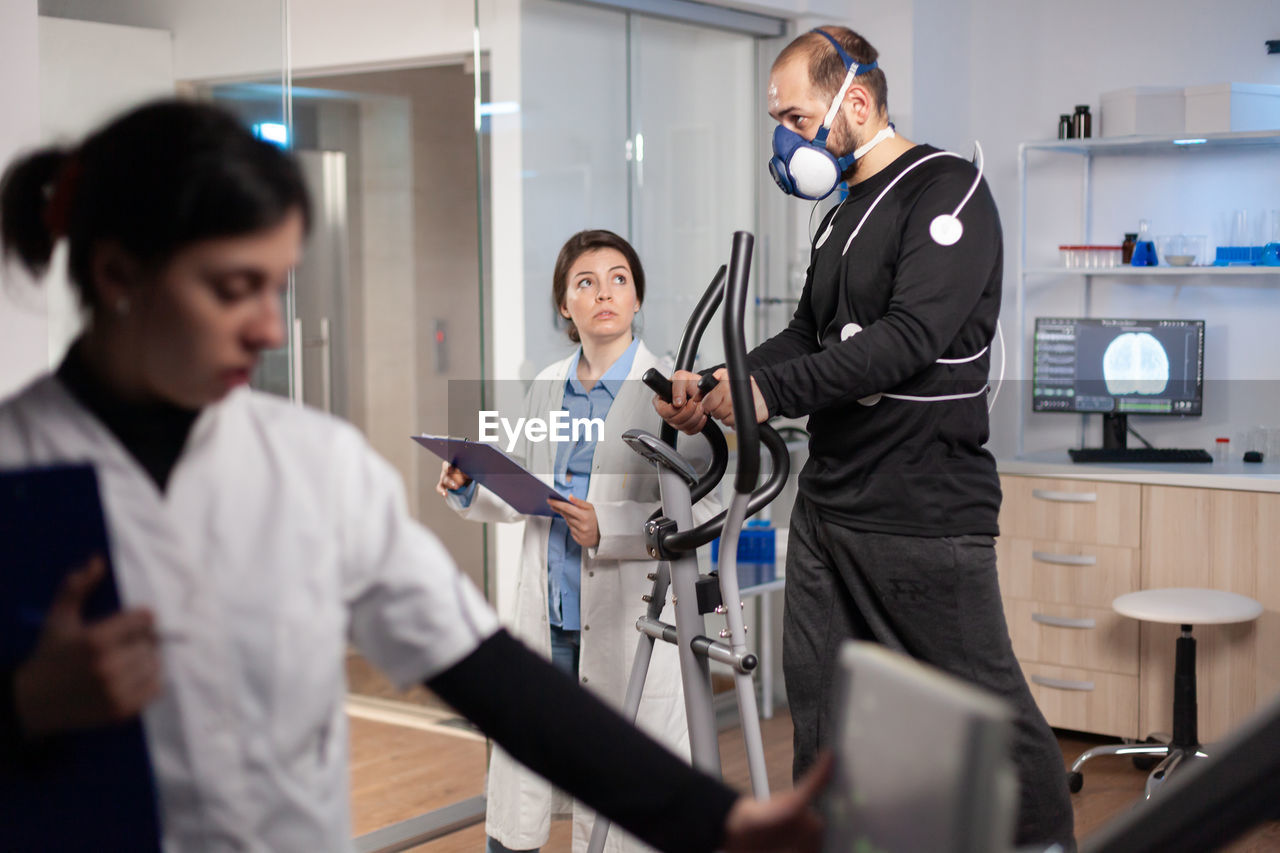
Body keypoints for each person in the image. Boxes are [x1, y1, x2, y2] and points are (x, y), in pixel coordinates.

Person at [0, 98, 828, 853]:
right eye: (233, 288)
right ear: (116, 276)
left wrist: (715, 818)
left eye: (277, 287)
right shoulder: (19, 468)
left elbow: (491, 673)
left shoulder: (313, 465)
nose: (266, 327)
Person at [656, 26, 1075, 850]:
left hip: (924, 509)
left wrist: (767, 391)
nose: (786, 140)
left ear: (855, 100)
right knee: (824, 710)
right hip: (830, 505)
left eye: (797, 118)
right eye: (777, 120)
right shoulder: (838, 214)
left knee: (987, 710)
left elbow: (907, 336)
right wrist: (714, 383)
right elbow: (812, 334)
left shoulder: (948, 192)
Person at [438, 228, 721, 853]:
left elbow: (713, 500)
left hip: (628, 620)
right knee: (521, 797)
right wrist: (470, 483)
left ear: (637, 298)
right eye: (585, 283)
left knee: (619, 807)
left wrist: (614, 528)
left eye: (619, 279)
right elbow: (523, 483)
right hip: (550, 618)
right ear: (565, 305)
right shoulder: (546, 385)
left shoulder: (671, 394)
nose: (604, 294)